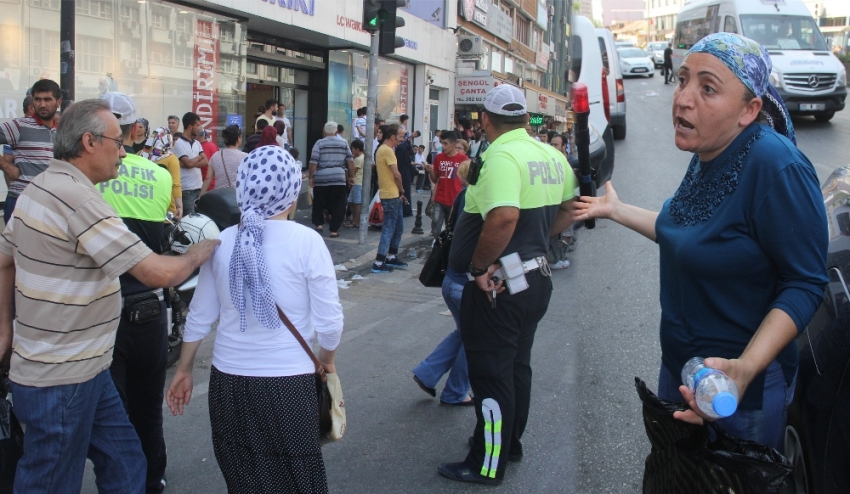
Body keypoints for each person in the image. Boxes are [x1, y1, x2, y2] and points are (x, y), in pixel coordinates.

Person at [574, 33, 828, 451]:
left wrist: (745, 368)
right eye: (683, 80)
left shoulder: (775, 165)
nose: (684, 99)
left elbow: (805, 281)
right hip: (681, 371)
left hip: (736, 395)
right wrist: (614, 210)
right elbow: (689, 233)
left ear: (750, 110)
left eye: (707, 88)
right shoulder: (709, 151)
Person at [0, 98, 217, 493]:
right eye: (117, 142)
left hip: (88, 368)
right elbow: (154, 271)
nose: (123, 151)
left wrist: (5, 329)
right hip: (62, 377)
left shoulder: (40, 186)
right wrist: (203, 249)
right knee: (50, 481)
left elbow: (3, 258)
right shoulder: (77, 199)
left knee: (126, 462)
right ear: (89, 142)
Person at [166, 146, 342, 493]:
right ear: (291, 192)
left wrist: (184, 370)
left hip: (229, 384)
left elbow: (200, 316)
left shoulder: (222, 242)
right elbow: (330, 323)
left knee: (244, 477)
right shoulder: (307, 241)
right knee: (297, 479)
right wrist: (327, 363)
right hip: (288, 383)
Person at [439, 84, 576, 485]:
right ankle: (509, 445)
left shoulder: (500, 155)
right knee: (516, 367)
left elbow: (502, 217)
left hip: (498, 287)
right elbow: (571, 207)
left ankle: (486, 463)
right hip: (535, 278)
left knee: (490, 376)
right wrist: (538, 244)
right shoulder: (551, 154)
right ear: (526, 117)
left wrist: (481, 267)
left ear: (485, 119)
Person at [98, 92, 174, 493]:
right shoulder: (159, 174)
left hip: (104, 309)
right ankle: (152, 477)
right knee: (148, 406)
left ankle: (120, 480)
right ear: (135, 129)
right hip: (150, 306)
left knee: (112, 410)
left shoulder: (91, 176)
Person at [413, 159, 474, 406]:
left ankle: (427, 373)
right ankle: (455, 392)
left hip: (452, 276)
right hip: (463, 280)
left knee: (465, 333)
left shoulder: (463, 195)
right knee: (474, 338)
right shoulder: (475, 200)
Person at [0, 79, 61, 223]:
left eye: (47, 99)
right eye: (37, 99)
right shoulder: (20, 126)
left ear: (59, 102)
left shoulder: (61, 131)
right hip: (21, 201)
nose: (42, 104)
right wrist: (6, 167)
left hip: (49, 202)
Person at [371, 124, 409, 273]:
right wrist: (401, 189)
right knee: (389, 228)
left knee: (398, 227)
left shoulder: (384, 149)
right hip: (391, 194)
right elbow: (396, 174)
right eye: (400, 136)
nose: (402, 139)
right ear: (393, 137)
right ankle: (379, 262)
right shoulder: (387, 151)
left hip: (393, 194)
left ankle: (391, 256)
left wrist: (399, 193)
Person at [309, 121, 356, 238]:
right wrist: (351, 176)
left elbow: (313, 162)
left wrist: (311, 177)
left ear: (325, 131)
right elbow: (350, 161)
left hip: (321, 178)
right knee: (339, 204)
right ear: (336, 131)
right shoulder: (343, 142)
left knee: (319, 202)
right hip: (338, 177)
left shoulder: (319, 143)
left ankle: (319, 224)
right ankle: (334, 230)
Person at [427, 131, 466, 238]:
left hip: (454, 198)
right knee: (435, 223)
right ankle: (437, 244)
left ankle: (447, 248)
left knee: (451, 227)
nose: (442, 146)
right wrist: (430, 171)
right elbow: (435, 179)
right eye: (441, 143)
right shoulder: (439, 158)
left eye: (445, 143)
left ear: (453, 144)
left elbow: (466, 180)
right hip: (440, 198)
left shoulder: (463, 159)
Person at [140, 127, 184, 220]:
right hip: (164, 209)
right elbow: (175, 184)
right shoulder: (171, 159)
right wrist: (179, 206)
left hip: (142, 207)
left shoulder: (140, 155)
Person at [173, 112, 209, 216]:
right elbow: (188, 163)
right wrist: (198, 158)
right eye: (197, 125)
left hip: (199, 187)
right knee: (189, 220)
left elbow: (205, 161)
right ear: (190, 126)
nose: (199, 128)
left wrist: (192, 162)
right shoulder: (179, 143)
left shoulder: (197, 143)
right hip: (187, 190)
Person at [202, 124, 246, 195]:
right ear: (238, 139)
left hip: (220, 197)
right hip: (237, 196)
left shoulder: (215, 156)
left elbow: (208, 178)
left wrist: (200, 196)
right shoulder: (245, 157)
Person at [346, 139, 365, 229]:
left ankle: (356, 221)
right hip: (357, 183)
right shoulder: (359, 158)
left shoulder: (359, 159)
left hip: (357, 182)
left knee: (356, 202)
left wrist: (349, 177)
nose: (352, 150)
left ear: (358, 149)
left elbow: (353, 171)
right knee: (351, 201)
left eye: (353, 148)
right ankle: (355, 220)